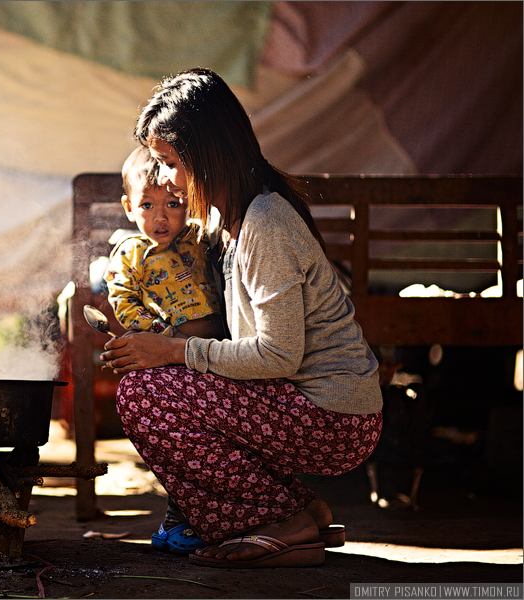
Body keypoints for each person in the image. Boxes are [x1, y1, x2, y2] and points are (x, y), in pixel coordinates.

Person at [100, 67, 383, 568]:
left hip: (335, 418)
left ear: (204, 155)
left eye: (167, 163)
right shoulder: (222, 219)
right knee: (156, 381)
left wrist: (170, 350)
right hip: (299, 404)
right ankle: (298, 511)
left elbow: (278, 354)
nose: (161, 178)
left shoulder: (265, 224)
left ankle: (276, 524)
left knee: (144, 394)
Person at [104, 146, 225, 341]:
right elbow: (124, 302)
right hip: (167, 346)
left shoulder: (200, 236)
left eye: (172, 204)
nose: (160, 218)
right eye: (147, 206)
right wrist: (166, 334)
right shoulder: (131, 252)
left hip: (220, 344)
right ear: (129, 208)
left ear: (187, 201)